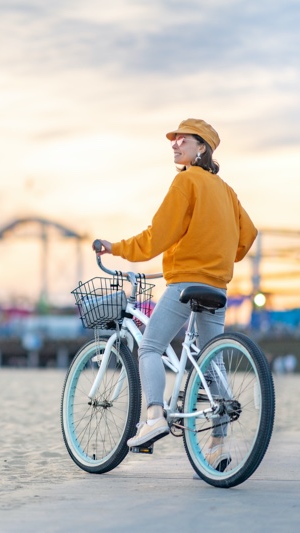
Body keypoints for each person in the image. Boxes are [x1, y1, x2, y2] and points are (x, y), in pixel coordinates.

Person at [95, 118, 257, 464]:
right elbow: (249, 235)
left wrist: (116, 247)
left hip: (185, 280)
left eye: (182, 139)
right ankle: (217, 445)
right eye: (174, 139)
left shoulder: (186, 181)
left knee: (151, 346)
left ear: (202, 147)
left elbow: (157, 236)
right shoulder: (227, 192)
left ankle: (154, 417)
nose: (174, 143)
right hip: (217, 284)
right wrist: (221, 254)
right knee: (209, 361)